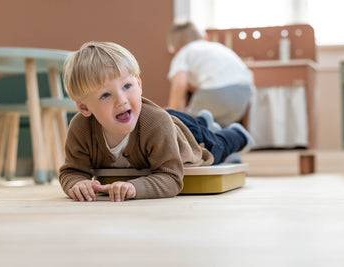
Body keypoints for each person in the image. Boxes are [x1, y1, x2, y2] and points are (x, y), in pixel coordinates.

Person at [60, 41, 255, 202]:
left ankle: (235, 133)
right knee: (182, 120)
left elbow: (171, 178)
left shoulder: (156, 123)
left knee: (216, 145)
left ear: (139, 84)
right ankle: (202, 120)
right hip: (165, 122)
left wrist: (133, 188)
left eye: (127, 86)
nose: (122, 100)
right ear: (84, 107)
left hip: (187, 137)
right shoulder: (80, 129)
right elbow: (71, 171)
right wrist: (77, 183)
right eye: (105, 95)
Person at [167, 22, 255, 127]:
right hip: (244, 91)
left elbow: (180, 83)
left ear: (176, 50)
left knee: (189, 125)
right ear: (205, 38)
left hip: (217, 90)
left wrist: (172, 111)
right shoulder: (217, 47)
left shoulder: (184, 52)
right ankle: (234, 134)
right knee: (218, 125)